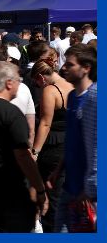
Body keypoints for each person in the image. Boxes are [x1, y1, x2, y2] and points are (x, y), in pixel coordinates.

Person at [0, 61, 48, 232]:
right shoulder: (12, 114)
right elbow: (23, 155)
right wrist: (39, 189)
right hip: (11, 192)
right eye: (18, 80)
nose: (20, 84)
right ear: (8, 83)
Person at [54, 43, 97, 232]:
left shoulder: (94, 98)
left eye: (70, 64)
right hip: (69, 187)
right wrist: (58, 170)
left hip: (87, 193)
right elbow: (72, 141)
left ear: (86, 68)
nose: (64, 68)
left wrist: (90, 189)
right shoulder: (72, 96)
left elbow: (97, 146)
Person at [31, 52, 71, 231]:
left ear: (41, 77)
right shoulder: (71, 86)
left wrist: (35, 152)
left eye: (37, 83)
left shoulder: (50, 90)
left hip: (53, 148)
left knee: (51, 197)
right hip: (70, 143)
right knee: (64, 195)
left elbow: (45, 124)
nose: (38, 87)